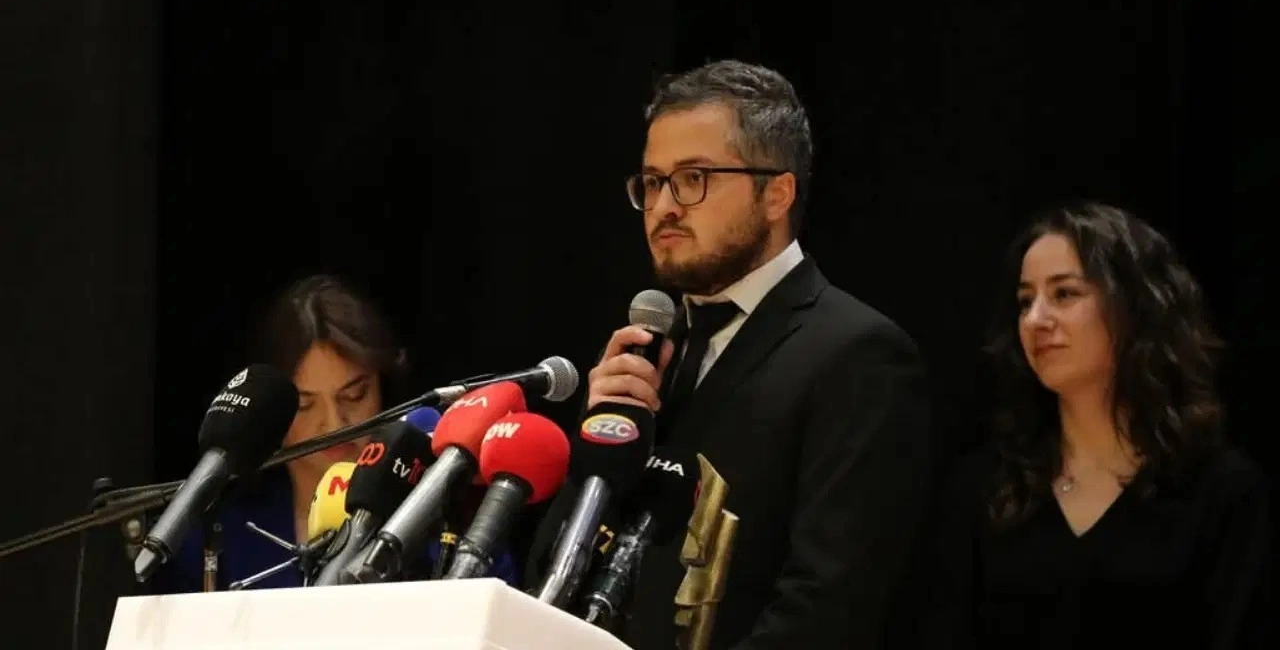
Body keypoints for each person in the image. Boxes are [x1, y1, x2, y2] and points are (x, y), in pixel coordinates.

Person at [526, 60, 933, 649]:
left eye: (693, 178)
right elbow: (547, 580)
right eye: (653, 182)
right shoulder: (648, 352)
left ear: (777, 194)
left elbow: (827, 609)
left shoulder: (858, 354)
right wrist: (597, 452)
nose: (664, 206)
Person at [918, 202, 1272, 648]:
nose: (1035, 320)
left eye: (1064, 294)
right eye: (1025, 301)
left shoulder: (1219, 491)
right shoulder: (983, 489)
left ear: (1134, 307)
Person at [148, 274, 519, 592]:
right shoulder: (216, 537)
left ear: (384, 388)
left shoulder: (454, 533)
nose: (333, 422)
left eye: (354, 395)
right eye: (304, 404)